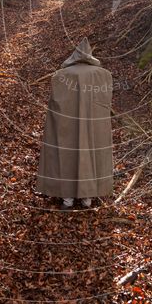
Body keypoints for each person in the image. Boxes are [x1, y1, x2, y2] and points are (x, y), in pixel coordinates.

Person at [36, 38, 113, 210]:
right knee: (90, 154)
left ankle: (67, 199)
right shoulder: (104, 75)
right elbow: (105, 103)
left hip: (66, 125)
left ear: (75, 55)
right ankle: (88, 199)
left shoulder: (61, 76)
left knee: (66, 155)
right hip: (93, 126)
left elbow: (55, 104)